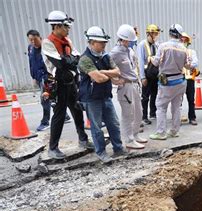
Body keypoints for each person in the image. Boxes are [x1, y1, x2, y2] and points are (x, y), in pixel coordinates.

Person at [42, 10, 93, 159]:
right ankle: (53, 147)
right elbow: (60, 63)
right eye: (65, 26)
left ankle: (83, 139)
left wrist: (69, 61)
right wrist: (69, 61)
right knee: (59, 114)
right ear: (56, 26)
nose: (68, 29)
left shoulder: (67, 41)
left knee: (76, 109)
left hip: (70, 81)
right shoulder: (48, 43)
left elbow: (77, 57)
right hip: (57, 83)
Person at [78, 26, 127, 163]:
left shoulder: (105, 56)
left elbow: (117, 72)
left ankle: (118, 148)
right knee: (97, 127)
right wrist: (106, 74)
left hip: (105, 96)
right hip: (91, 98)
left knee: (114, 124)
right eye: (101, 43)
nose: (104, 45)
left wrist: (102, 72)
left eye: (105, 42)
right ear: (92, 42)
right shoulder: (85, 59)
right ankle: (101, 152)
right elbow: (99, 79)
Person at [149, 24, 190, 140]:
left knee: (161, 107)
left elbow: (156, 63)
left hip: (167, 82)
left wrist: (151, 58)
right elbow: (187, 65)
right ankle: (174, 131)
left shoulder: (163, 46)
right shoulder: (184, 48)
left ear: (170, 33)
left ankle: (161, 132)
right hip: (180, 81)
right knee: (176, 107)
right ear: (180, 35)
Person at [110, 24, 148, 149]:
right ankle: (129, 140)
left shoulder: (129, 51)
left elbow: (133, 66)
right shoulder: (115, 53)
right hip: (125, 86)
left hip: (134, 84)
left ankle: (135, 134)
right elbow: (107, 68)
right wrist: (115, 80)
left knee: (139, 112)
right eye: (131, 41)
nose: (132, 43)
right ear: (124, 40)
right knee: (128, 114)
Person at [27, 30, 72, 131]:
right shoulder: (30, 48)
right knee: (52, 99)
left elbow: (52, 64)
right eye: (31, 40)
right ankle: (64, 116)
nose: (33, 42)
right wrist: (33, 77)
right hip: (38, 77)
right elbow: (31, 63)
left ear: (40, 38)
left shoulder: (45, 48)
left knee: (45, 99)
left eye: (35, 39)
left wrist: (51, 78)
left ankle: (45, 122)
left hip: (47, 78)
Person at [137, 24, 161, 125]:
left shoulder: (157, 45)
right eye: (154, 34)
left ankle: (152, 113)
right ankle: (144, 116)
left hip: (155, 74)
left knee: (154, 94)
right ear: (149, 34)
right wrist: (142, 77)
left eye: (156, 34)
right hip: (147, 74)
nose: (156, 36)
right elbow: (141, 61)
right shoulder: (142, 45)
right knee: (145, 96)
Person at [181, 32, 199, 125]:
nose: (183, 41)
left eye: (185, 40)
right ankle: (176, 118)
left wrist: (189, 65)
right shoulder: (176, 51)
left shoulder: (192, 52)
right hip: (179, 78)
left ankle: (192, 117)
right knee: (177, 100)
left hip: (189, 79)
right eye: (182, 39)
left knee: (191, 99)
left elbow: (195, 62)